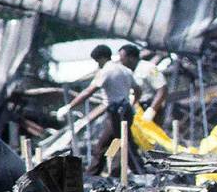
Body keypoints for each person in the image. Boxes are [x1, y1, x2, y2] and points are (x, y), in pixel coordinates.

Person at [55, 44, 141, 176]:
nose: (98, 64)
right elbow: (138, 90)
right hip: (125, 111)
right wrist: (133, 103)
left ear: (102, 58)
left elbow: (89, 91)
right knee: (110, 143)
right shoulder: (125, 70)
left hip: (116, 113)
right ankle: (101, 173)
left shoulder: (106, 71)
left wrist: (70, 106)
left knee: (124, 144)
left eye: (97, 61)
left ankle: (140, 172)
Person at [118, 44, 169, 123]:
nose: (120, 61)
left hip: (149, 108)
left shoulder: (150, 67)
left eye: (122, 58)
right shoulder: (127, 72)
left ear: (131, 58)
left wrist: (152, 110)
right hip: (136, 109)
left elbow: (162, 89)